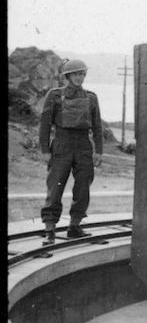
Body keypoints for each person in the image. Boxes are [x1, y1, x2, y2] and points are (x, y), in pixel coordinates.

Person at [39, 59, 103, 245]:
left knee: (83, 187)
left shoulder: (91, 97)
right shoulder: (54, 95)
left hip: (84, 145)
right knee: (55, 187)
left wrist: (98, 151)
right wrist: (45, 149)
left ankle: (75, 226)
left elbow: (97, 126)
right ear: (67, 76)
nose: (79, 77)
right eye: (75, 74)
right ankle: (50, 229)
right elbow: (45, 124)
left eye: (82, 73)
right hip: (62, 143)